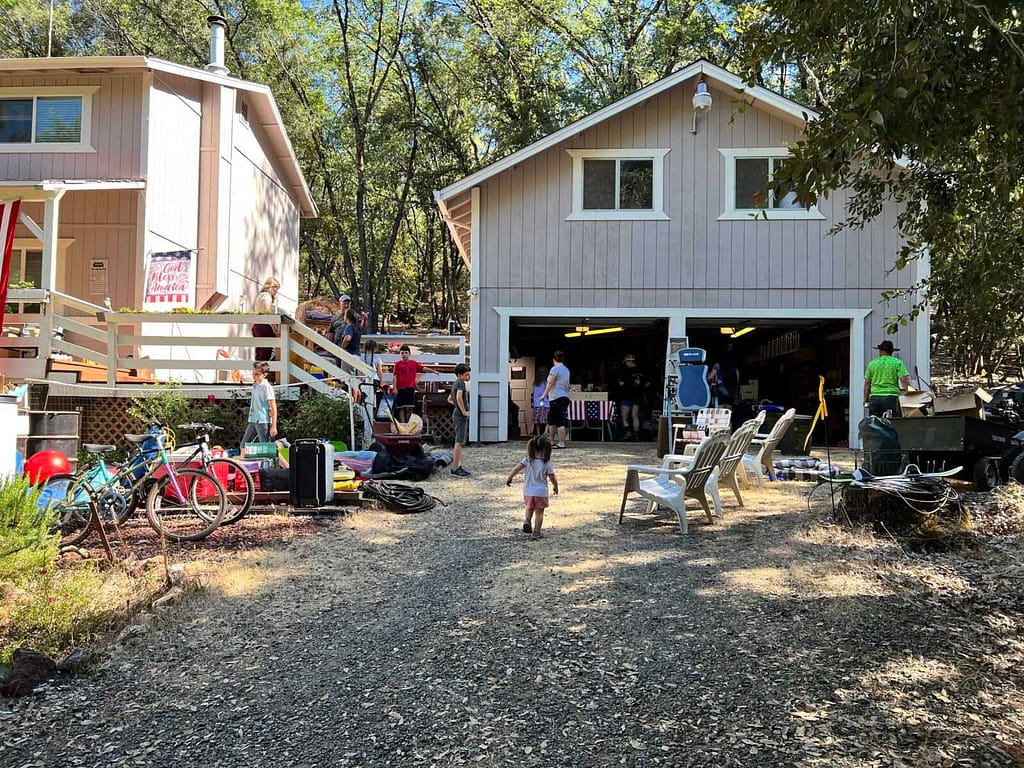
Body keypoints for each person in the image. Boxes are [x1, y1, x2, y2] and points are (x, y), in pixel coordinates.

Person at [506, 434, 559, 541]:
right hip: (541, 492)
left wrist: (510, 477)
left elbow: (517, 468)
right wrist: (555, 487)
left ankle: (527, 520)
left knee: (529, 508)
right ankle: (537, 532)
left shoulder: (527, 460)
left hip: (528, 491)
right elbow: (552, 477)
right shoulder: (547, 463)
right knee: (539, 512)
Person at [392, 344, 442, 423]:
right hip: (400, 388)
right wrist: (394, 388)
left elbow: (423, 368)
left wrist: (434, 371)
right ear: (400, 354)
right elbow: (395, 376)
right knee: (401, 407)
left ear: (409, 354)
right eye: (402, 353)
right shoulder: (398, 364)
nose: (404, 355)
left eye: (406, 353)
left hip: (410, 388)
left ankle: (408, 423)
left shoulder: (413, 363)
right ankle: (402, 424)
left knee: (409, 407)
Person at [864, 340, 912, 417]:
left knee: (875, 423)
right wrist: (909, 392)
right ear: (891, 352)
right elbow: (904, 380)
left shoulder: (872, 364)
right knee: (891, 423)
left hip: (875, 398)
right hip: (891, 397)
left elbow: (867, 383)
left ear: (880, 351)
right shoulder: (897, 363)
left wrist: (866, 399)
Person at [240, 361, 277, 448]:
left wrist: (273, 426)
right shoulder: (255, 385)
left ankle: (271, 461)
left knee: (265, 446)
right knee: (243, 445)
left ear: (264, 374)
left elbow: (273, 406)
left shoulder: (266, 387)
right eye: (253, 373)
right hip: (253, 419)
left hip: (263, 420)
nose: (254, 376)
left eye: (257, 374)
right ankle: (242, 461)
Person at [540, 350, 571, 449]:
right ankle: (551, 441)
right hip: (564, 396)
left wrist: (544, 395)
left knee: (557, 420)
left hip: (556, 397)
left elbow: (550, 383)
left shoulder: (554, 369)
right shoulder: (566, 370)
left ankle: (561, 442)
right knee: (552, 419)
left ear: (554, 359)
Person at [615, 353, 649, 440]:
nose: (625, 364)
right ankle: (636, 435)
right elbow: (647, 383)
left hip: (626, 396)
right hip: (637, 396)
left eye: (626, 362)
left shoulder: (625, 371)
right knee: (635, 416)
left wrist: (623, 385)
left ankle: (628, 433)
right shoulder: (642, 371)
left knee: (624, 417)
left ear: (629, 361)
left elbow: (621, 383)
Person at [450, 363, 472, 477]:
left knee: (459, 441)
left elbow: (449, 399)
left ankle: (458, 465)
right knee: (459, 442)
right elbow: (458, 397)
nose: (469, 377)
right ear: (460, 375)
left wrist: (457, 406)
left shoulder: (455, 384)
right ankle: (455, 468)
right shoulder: (461, 383)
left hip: (456, 413)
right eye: (467, 375)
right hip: (460, 415)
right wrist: (463, 411)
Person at [251, 277, 280, 363]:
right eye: (274, 286)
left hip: (257, 325)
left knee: (260, 353)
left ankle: (258, 373)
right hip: (264, 327)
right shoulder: (266, 297)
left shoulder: (261, 296)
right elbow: (267, 314)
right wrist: (275, 329)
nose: (276, 290)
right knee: (266, 353)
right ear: (269, 286)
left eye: (277, 287)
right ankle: (263, 373)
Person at [532, 366, 550, 437]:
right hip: (546, 403)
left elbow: (534, 393)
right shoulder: (546, 383)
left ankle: (538, 434)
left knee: (537, 420)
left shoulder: (535, 383)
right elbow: (548, 393)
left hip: (537, 404)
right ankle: (546, 431)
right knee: (547, 419)